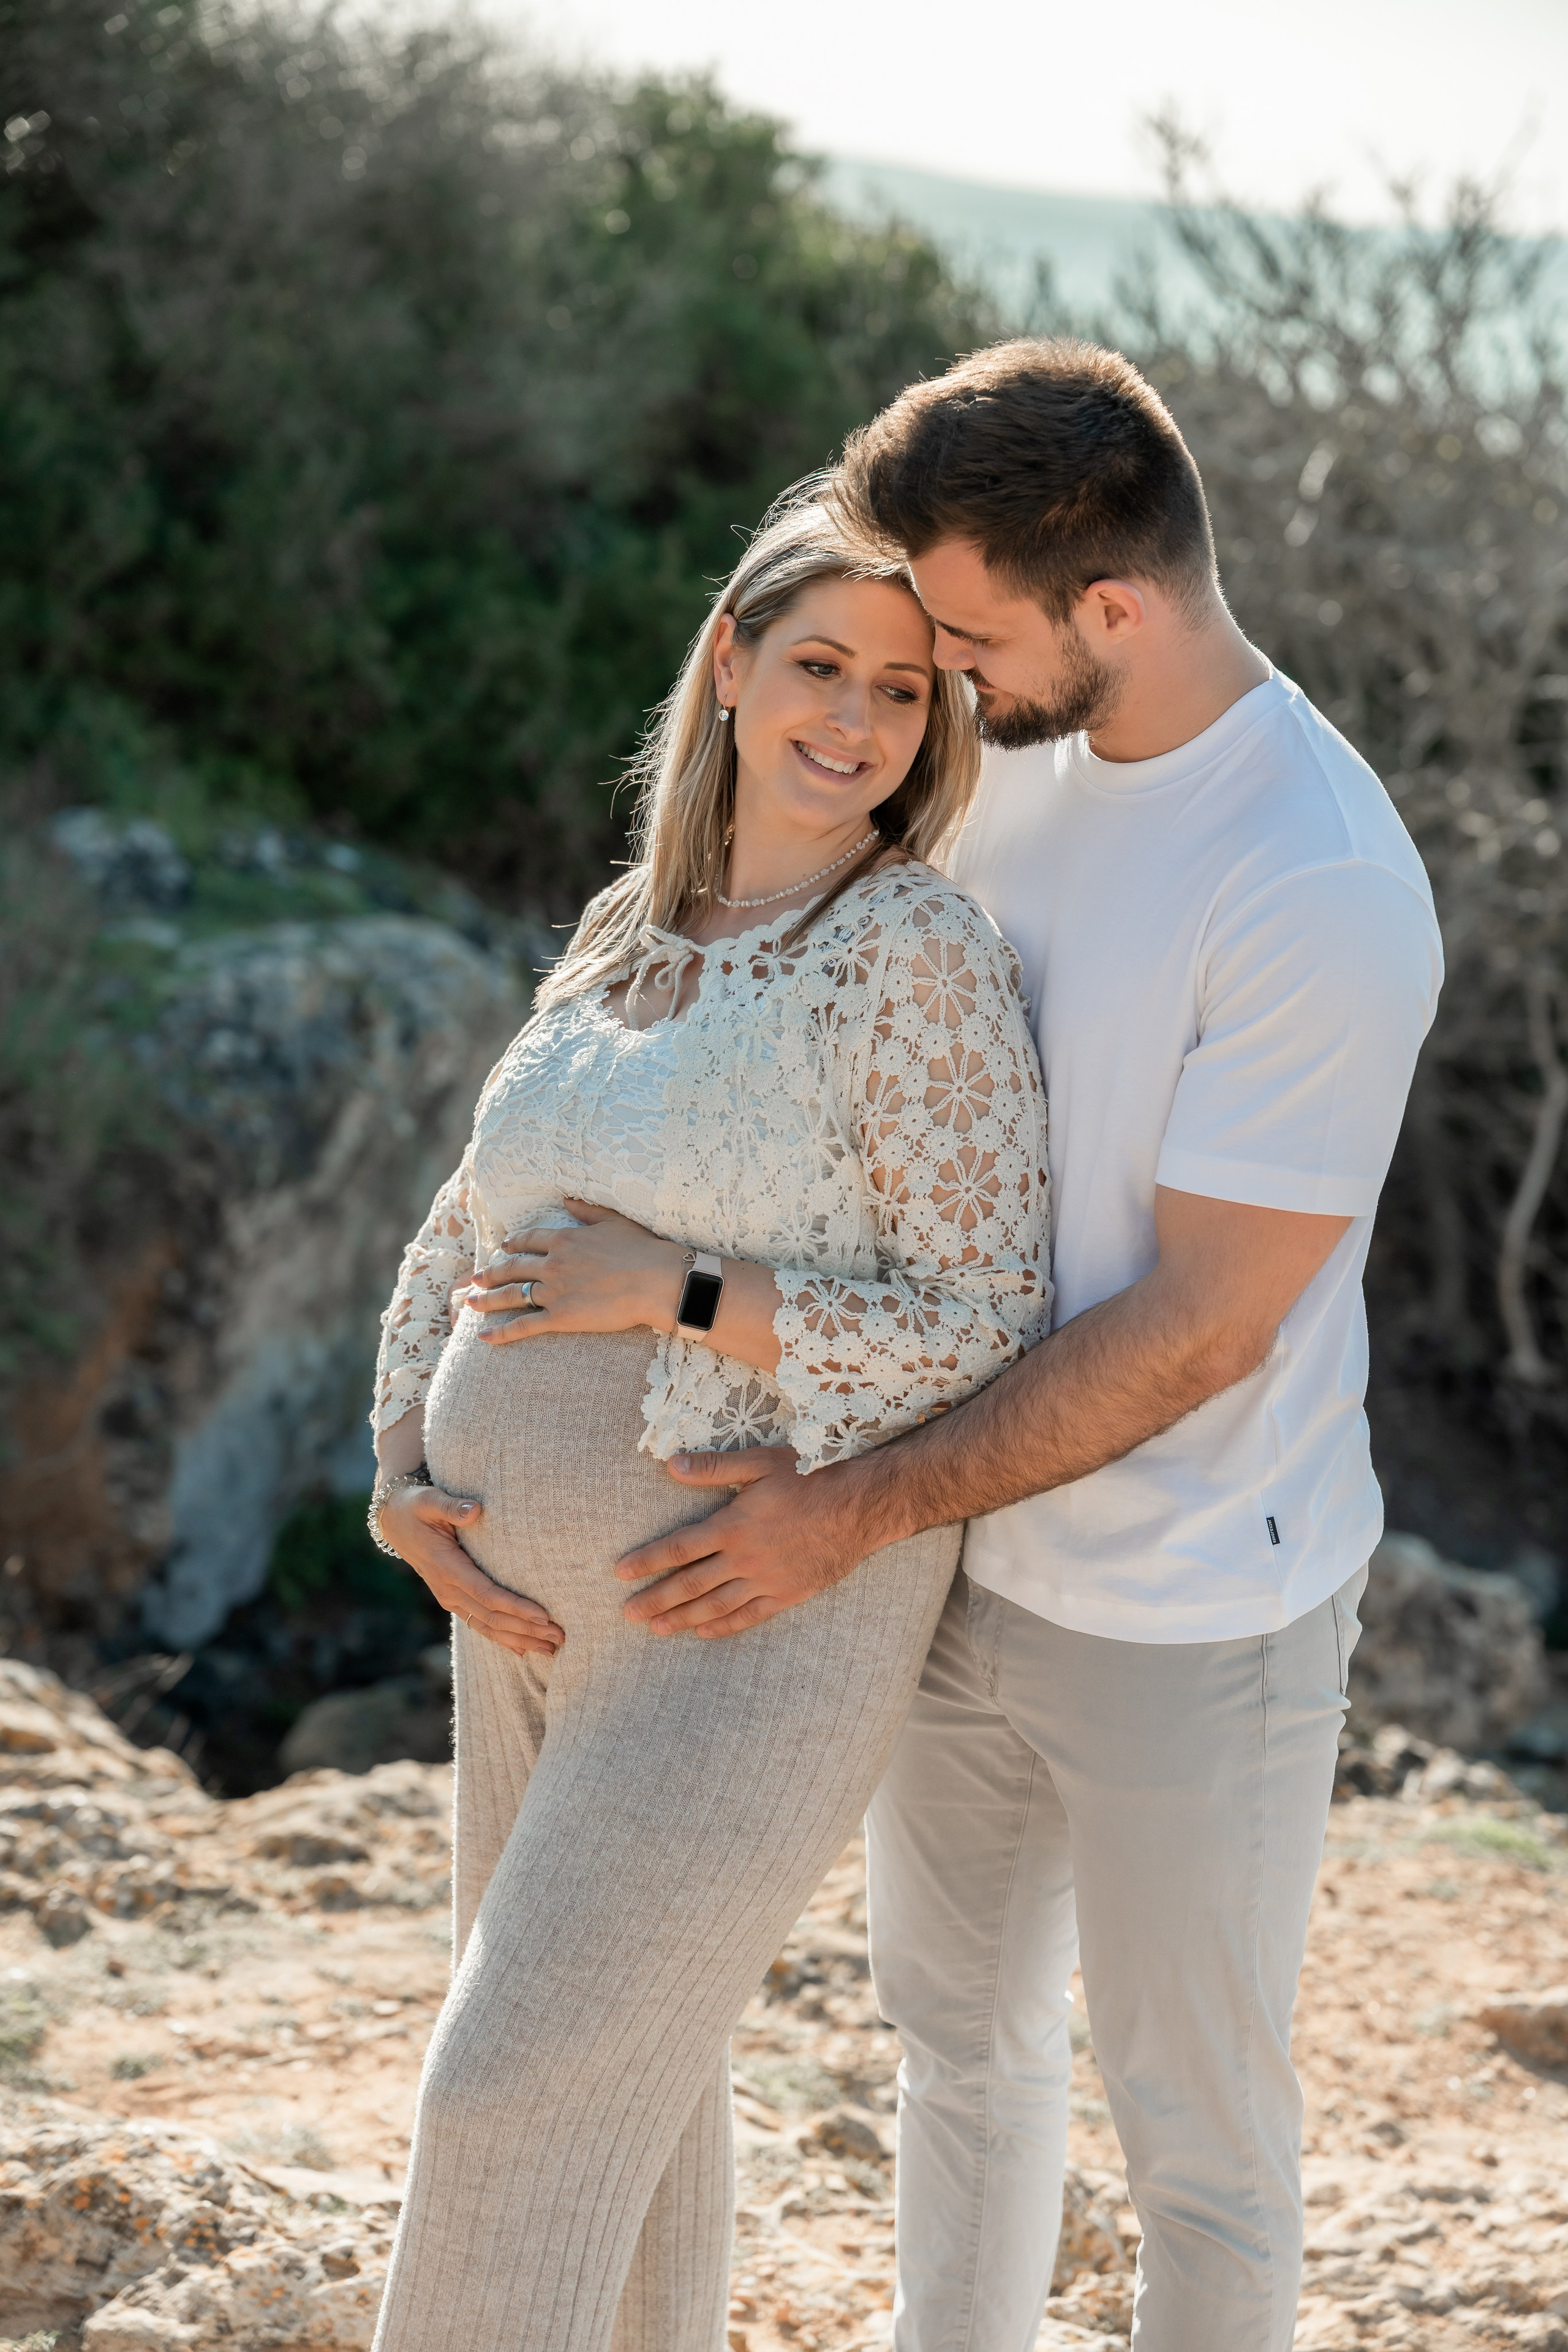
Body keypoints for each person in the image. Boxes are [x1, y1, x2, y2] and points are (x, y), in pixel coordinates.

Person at [613, 341, 1445, 2351]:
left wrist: (844, 1511)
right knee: (958, 2052)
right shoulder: (1016, 765)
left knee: (1199, 2143)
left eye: (973, 636)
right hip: (951, 1562)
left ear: (1116, 608)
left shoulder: (1319, 880)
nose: (947, 676)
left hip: (1190, 1605)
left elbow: (1202, 1328)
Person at [364, 485, 1051, 2352]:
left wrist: (680, 1289)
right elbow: (472, 1213)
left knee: (506, 2099)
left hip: (742, 1614)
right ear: (731, 664)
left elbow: (983, 1317)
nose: (859, 719)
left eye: (904, 691)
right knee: (627, 2108)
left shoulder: (912, 950)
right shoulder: (633, 926)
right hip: (514, 1612)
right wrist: (401, 1466)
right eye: (822, 665)